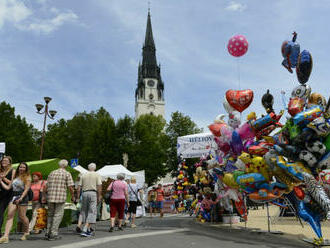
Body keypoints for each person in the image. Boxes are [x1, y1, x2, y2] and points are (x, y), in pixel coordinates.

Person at [43, 159, 75, 241]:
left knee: (50, 215)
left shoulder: (52, 173)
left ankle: (47, 232)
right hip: (60, 198)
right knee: (58, 215)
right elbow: (70, 187)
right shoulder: (67, 173)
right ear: (66, 166)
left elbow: (46, 186)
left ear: (59, 165)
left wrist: (44, 196)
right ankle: (53, 234)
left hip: (50, 197)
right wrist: (73, 196)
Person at [0, 162, 31, 243]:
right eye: (20, 167)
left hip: (22, 197)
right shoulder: (16, 176)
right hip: (13, 196)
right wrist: (1, 180)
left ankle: (26, 232)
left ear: (26, 169)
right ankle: (5, 237)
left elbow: (26, 189)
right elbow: (8, 187)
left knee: (22, 216)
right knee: (9, 216)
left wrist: (21, 198)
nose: (21, 169)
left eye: (23, 167)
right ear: (18, 168)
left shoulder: (27, 177)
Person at [76, 163, 102, 237]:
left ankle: (87, 228)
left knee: (84, 211)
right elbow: (99, 186)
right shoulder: (97, 175)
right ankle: (85, 229)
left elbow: (79, 188)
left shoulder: (83, 175)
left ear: (88, 168)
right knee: (92, 211)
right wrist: (99, 196)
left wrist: (78, 197)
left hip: (84, 193)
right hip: (93, 193)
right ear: (95, 168)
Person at [0, 156, 15, 231]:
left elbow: (12, 184)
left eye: (6, 161)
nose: (3, 162)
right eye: (3, 160)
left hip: (8, 194)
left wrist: (3, 178)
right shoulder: (1, 171)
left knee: (1, 212)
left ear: (9, 162)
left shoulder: (13, 171)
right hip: (1, 193)